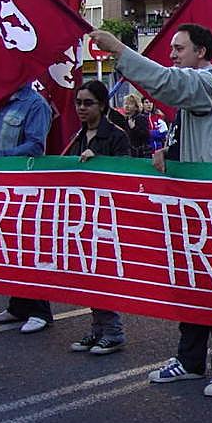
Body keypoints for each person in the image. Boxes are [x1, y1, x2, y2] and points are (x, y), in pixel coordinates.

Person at [91, 23, 212, 397]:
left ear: (202, 52)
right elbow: (191, 137)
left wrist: (120, 51)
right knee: (190, 287)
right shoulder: (196, 93)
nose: (172, 54)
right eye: (172, 49)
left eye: (180, 48)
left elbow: (167, 83)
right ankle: (191, 361)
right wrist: (168, 153)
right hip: (189, 207)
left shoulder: (208, 82)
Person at [0, 83, 55, 334]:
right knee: (8, 243)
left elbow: (35, 146)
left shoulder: (35, 104)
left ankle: (40, 310)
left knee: (28, 245)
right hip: (3, 184)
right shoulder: (1, 103)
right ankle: (18, 304)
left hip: (24, 184)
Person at [64, 81, 132, 355]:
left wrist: (100, 160)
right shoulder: (76, 137)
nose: (81, 108)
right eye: (78, 102)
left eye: (88, 102)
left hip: (107, 216)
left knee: (103, 272)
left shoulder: (116, 135)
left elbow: (126, 170)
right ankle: (98, 327)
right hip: (83, 214)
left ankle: (113, 330)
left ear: (102, 105)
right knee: (89, 273)